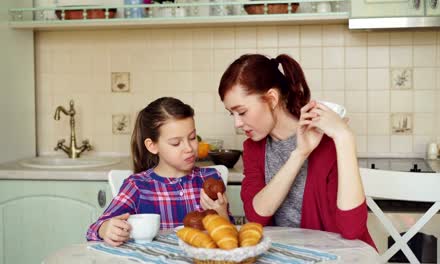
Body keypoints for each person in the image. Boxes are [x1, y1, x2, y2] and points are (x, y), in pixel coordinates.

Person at [217, 54, 376, 248]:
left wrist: (344, 137)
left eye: (241, 112)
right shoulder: (253, 148)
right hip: (289, 256)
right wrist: (299, 154)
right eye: (231, 114)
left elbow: (352, 230)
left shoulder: (327, 142)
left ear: (272, 98)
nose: (237, 123)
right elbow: (256, 216)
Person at [86, 97, 232, 246]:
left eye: (192, 138)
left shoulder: (209, 178)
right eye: (176, 143)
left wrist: (222, 213)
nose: (189, 148)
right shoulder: (137, 186)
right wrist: (105, 229)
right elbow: (95, 228)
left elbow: (231, 236)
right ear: (152, 146)